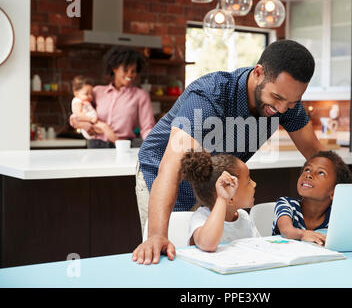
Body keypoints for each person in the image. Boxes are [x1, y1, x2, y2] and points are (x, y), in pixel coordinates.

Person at [133, 39, 324, 265]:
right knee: (166, 254)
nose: (282, 110)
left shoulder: (285, 102)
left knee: (210, 255)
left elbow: (319, 158)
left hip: (215, 181)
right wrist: (157, 235)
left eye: (292, 102)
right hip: (162, 172)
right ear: (259, 73)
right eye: (277, 98)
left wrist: (341, 196)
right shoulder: (210, 95)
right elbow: (172, 168)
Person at [70, 46, 155, 148]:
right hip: (95, 146)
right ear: (115, 68)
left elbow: (147, 127)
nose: (130, 75)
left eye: (133, 71)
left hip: (122, 146)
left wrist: (153, 147)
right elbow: (76, 115)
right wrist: (79, 123)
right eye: (126, 70)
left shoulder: (141, 96)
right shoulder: (97, 91)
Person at [181, 150, 259, 252]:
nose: (254, 184)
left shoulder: (244, 218)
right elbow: (207, 245)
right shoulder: (201, 218)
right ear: (230, 198)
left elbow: (259, 248)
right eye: (248, 181)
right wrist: (222, 199)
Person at [272, 150, 352, 246]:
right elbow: (286, 230)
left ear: (334, 192)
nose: (309, 175)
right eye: (307, 169)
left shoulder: (335, 216)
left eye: (321, 173)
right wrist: (303, 234)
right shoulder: (287, 204)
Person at [70, 76, 118, 143]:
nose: (90, 96)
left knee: (107, 129)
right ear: (76, 93)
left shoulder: (85, 101)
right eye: (86, 94)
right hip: (89, 122)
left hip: (92, 123)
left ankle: (117, 142)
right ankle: (119, 144)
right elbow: (78, 115)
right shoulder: (78, 102)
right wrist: (91, 119)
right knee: (105, 127)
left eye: (91, 94)